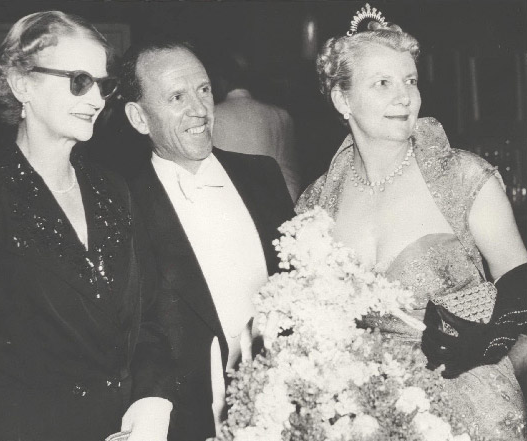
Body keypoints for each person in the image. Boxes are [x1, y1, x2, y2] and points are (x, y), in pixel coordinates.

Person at [0, 11, 174, 441]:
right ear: (22, 84)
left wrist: (152, 400)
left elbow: (148, 318)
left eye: (103, 84)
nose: (97, 99)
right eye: (79, 80)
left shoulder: (114, 190)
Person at [295, 5, 527, 440]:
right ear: (342, 99)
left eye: (410, 81)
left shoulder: (463, 177)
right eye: (382, 83)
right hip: (360, 411)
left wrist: (489, 341)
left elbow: (521, 281)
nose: (404, 96)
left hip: (466, 405)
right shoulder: (315, 205)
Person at [119, 38, 294, 441]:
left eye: (203, 90)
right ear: (139, 118)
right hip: (189, 421)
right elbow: (135, 329)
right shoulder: (123, 203)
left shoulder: (263, 176)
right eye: (177, 97)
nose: (199, 110)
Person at [213, 52, 302, 202]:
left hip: (229, 203)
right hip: (275, 204)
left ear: (221, 81)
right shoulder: (281, 115)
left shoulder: (211, 115)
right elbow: (291, 174)